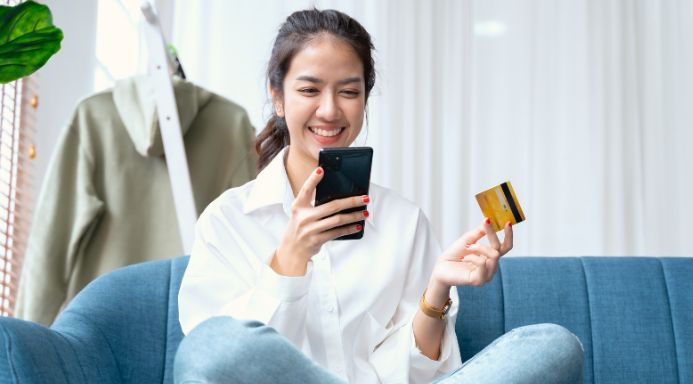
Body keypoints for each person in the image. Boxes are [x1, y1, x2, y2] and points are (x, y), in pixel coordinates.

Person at [174, 8, 583, 384]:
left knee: (552, 346)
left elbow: (419, 374)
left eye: (349, 92)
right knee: (215, 345)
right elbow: (214, 363)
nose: (330, 110)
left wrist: (436, 289)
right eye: (310, 90)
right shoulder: (228, 220)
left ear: (365, 99)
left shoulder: (403, 223)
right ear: (278, 97)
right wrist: (291, 258)